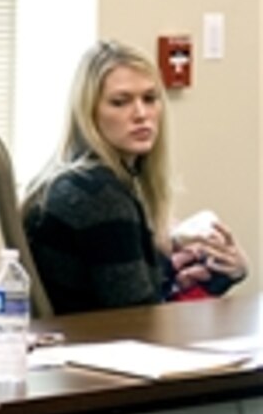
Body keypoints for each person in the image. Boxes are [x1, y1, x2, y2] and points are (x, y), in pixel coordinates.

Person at [22, 40, 248, 315]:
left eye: (150, 99)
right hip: (97, 349)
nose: (141, 114)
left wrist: (210, 272)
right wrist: (205, 280)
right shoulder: (97, 195)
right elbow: (142, 320)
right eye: (120, 102)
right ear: (88, 113)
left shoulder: (77, 179)